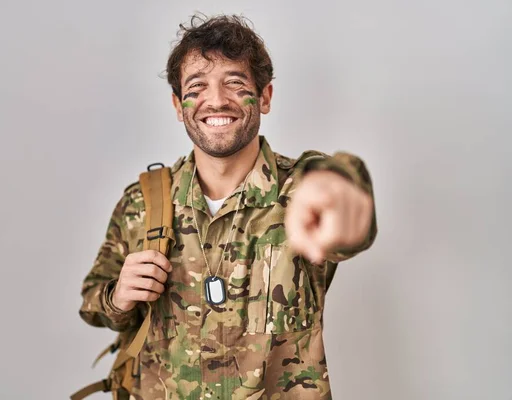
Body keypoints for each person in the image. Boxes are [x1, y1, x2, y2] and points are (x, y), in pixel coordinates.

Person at [79, 14, 377, 400]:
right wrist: (117, 297)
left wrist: (346, 191)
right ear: (177, 104)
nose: (216, 100)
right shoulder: (142, 202)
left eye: (235, 84)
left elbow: (348, 223)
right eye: (197, 86)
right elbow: (92, 303)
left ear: (265, 97)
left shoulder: (302, 188)